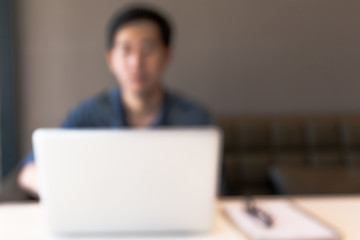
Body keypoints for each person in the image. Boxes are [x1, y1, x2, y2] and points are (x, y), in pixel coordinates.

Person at [18, 5, 213, 197]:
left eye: (148, 49)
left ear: (166, 55)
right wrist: (66, 192)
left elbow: (214, 188)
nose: (136, 62)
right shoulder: (90, 115)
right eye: (126, 50)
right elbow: (30, 170)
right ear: (111, 59)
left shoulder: (194, 118)